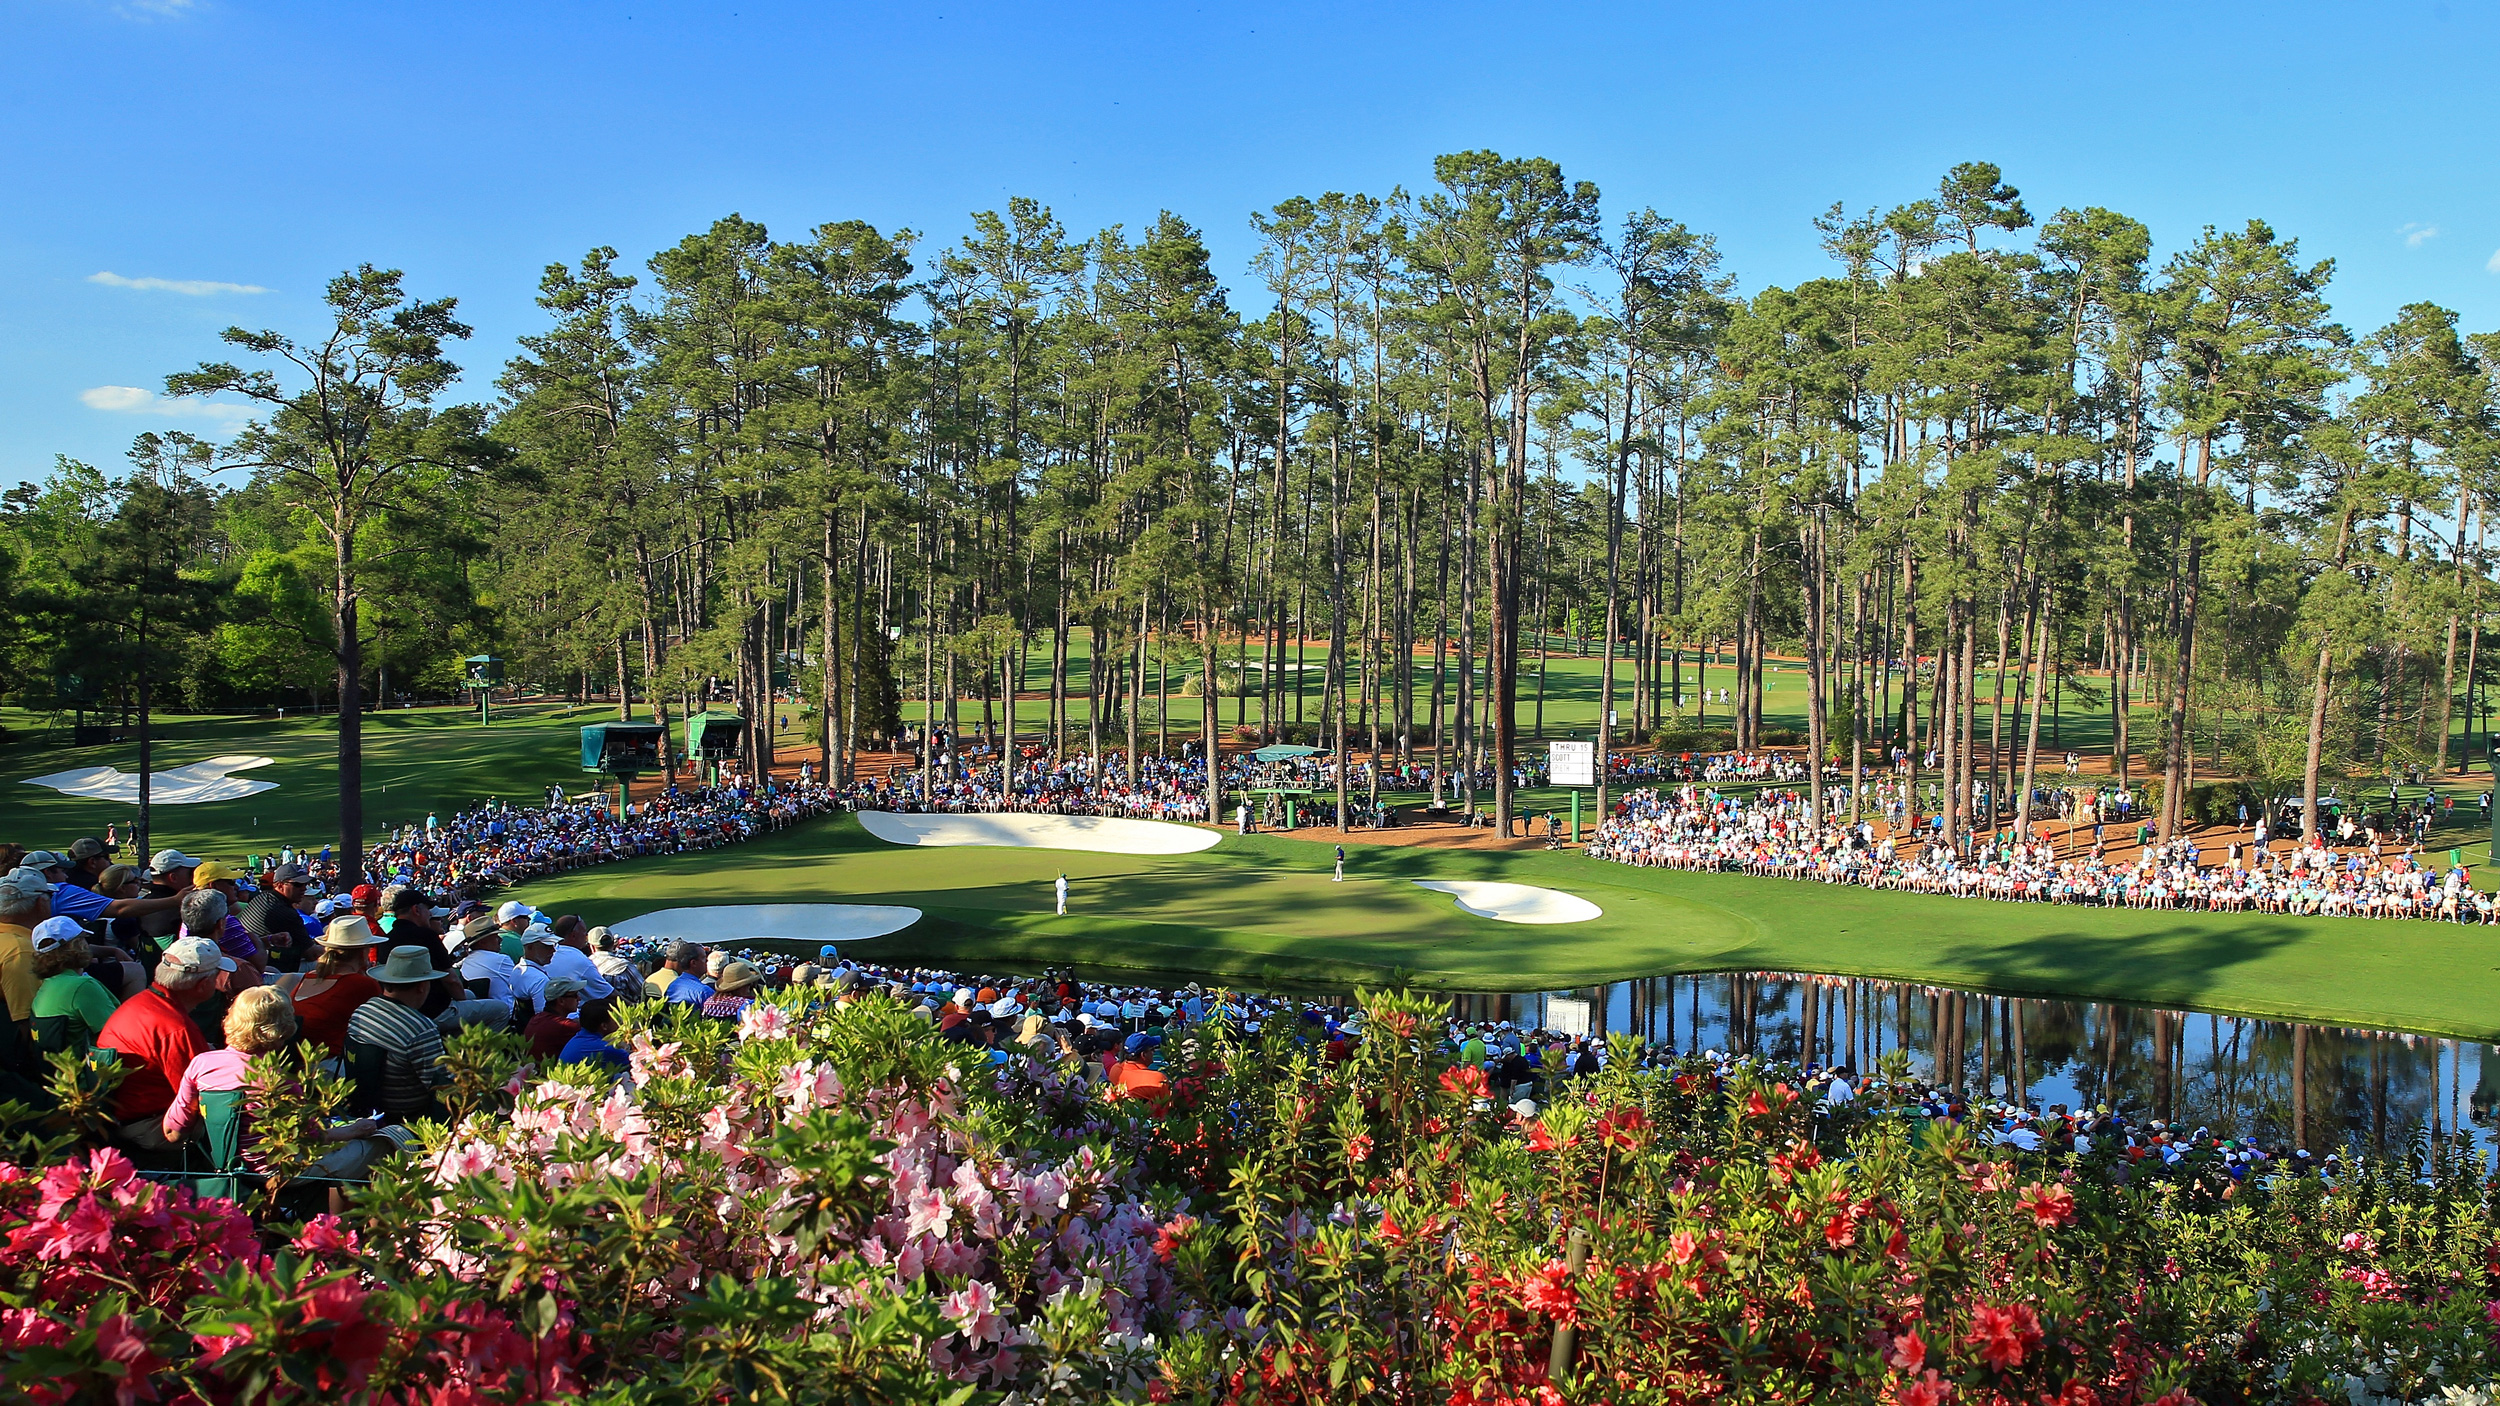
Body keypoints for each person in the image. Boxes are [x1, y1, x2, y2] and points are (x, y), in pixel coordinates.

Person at [161, 986, 403, 1181]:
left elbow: (173, 1133)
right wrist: (357, 1129)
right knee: (383, 1145)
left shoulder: (201, 1064)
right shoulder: (277, 1080)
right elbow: (312, 1139)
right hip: (277, 1171)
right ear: (281, 1030)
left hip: (225, 1165)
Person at [94, 935, 233, 1149]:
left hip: (122, 1119)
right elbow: (204, 1096)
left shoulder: (142, 1003)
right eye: (216, 975)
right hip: (149, 1127)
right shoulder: (175, 1028)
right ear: (203, 984)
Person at [345, 946, 455, 1119]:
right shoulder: (421, 1029)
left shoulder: (363, 1010)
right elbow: (443, 1087)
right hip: (408, 1116)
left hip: (365, 1108)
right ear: (422, 986)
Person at [290, 917, 388, 1057]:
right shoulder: (362, 984)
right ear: (362, 953)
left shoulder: (308, 976)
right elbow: (382, 1025)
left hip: (295, 1061)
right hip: (328, 1065)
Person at [29, 915, 119, 1052]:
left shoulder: (45, 987)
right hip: (89, 1070)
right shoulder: (82, 986)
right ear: (76, 945)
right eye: (83, 939)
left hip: (63, 1070)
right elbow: (117, 1034)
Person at [558, 999, 631, 1073]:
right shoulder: (607, 1049)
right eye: (616, 1019)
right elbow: (638, 1064)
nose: (621, 1022)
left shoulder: (578, 1038)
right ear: (604, 1026)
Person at [524, 976, 589, 1058]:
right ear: (561, 1001)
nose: (579, 998)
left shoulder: (537, 1018)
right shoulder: (566, 1027)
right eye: (575, 995)